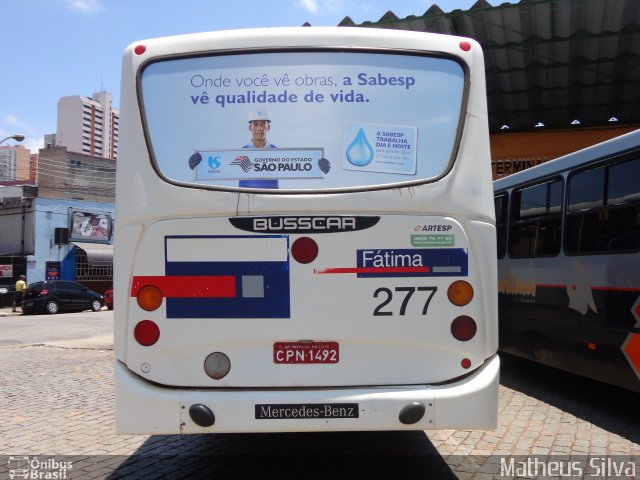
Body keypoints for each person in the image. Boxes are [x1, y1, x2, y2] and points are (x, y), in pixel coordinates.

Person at [188, 110, 279, 188]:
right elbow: (219, 165)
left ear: (269, 127)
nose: (260, 128)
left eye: (263, 124)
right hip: (245, 201)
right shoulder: (238, 154)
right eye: (255, 124)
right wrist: (199, 166)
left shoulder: (279, 153)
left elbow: (293, 169)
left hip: (272, 201)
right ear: (250, 128)